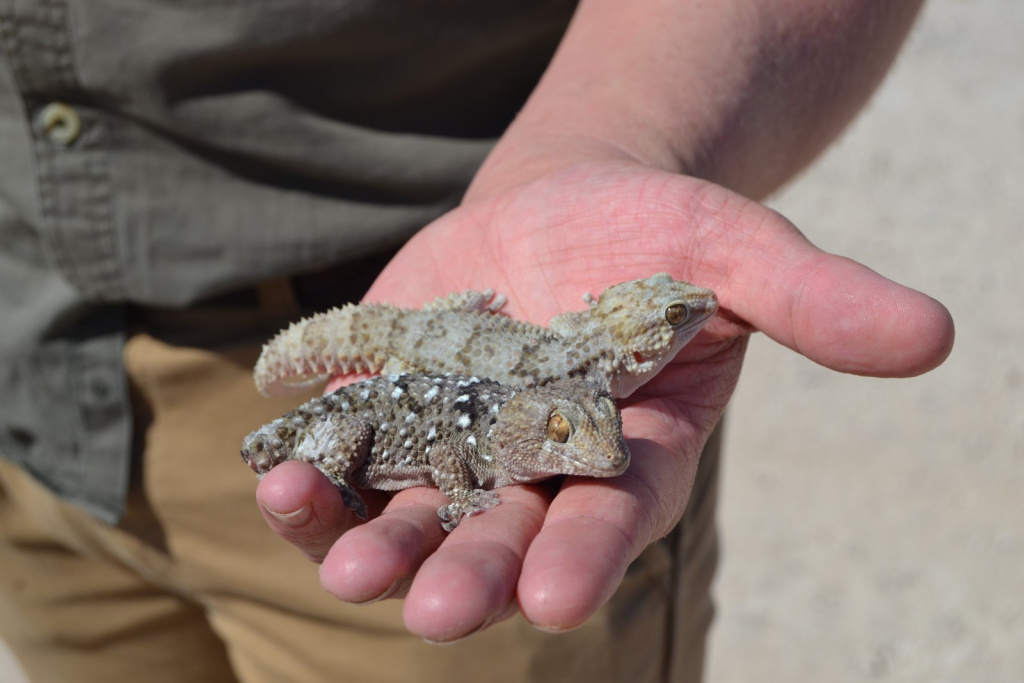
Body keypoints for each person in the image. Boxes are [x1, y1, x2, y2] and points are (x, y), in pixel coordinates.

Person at [0, 1, 953, 682]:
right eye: (666, 317)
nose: (687, 315)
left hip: (407, 280)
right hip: (28, 376)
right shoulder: (578, 369)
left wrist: (602, 143)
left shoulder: (584, 384)